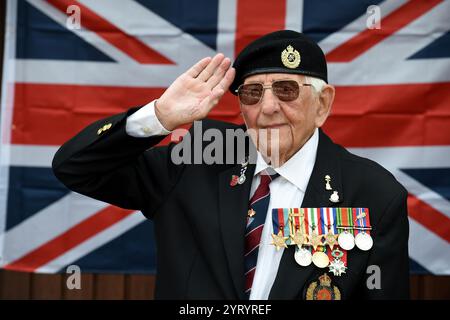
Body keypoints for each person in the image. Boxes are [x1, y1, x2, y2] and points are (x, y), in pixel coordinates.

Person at [52, 30, 409, 300]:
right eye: (253, 93)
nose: (267, 107)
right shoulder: (196, 159)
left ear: (322, 103)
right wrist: (160, 117)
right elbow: (76, 167)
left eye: (286, 90)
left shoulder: (374, 193)